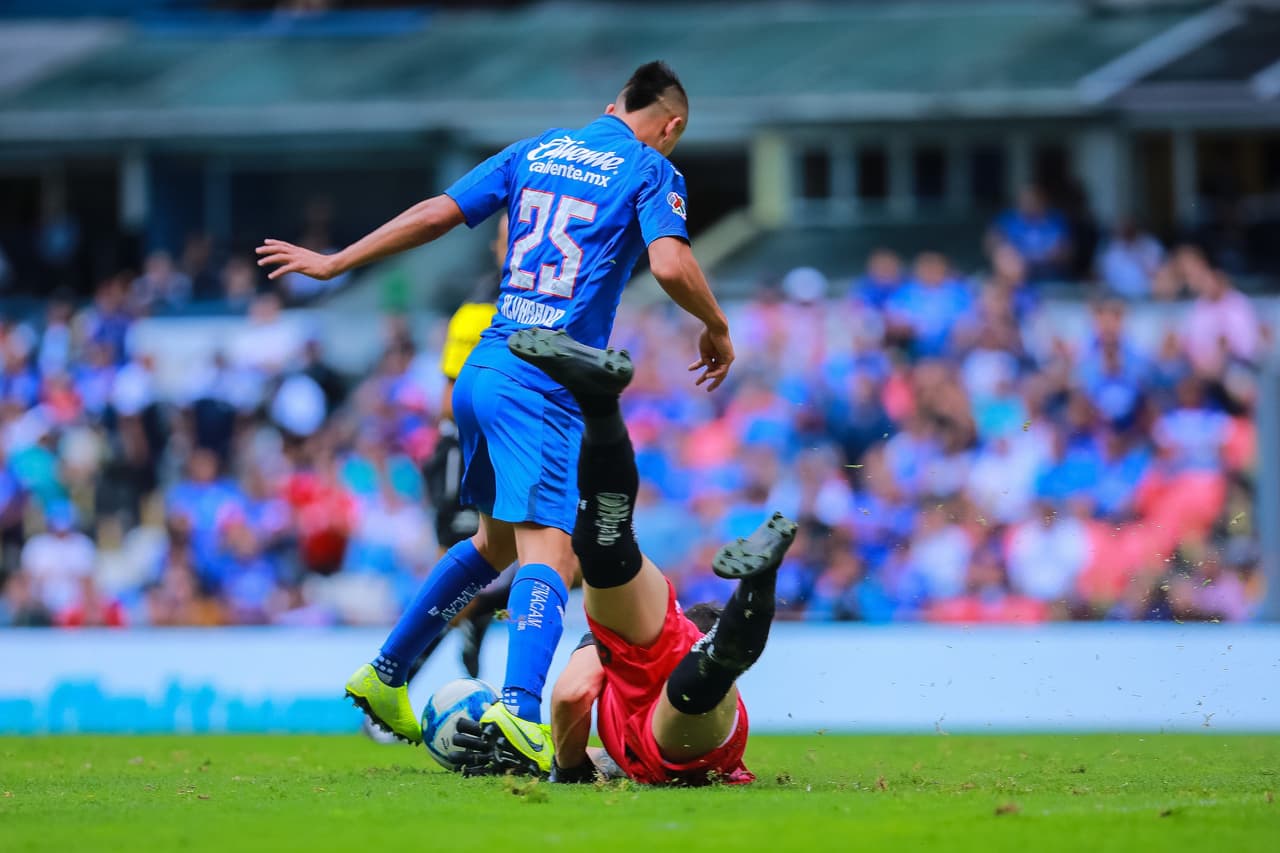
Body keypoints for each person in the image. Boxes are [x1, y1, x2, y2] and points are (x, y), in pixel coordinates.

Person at [256, 61, 734, 764]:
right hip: (542, 380)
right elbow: (668, 264)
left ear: (611, 107)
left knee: (495, 544)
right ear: (672, 126)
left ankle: (387, 673)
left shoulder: (536, 149)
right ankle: (519, 711)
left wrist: (337, 262)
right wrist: (716, 325)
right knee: (555, 551)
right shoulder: (652, 169)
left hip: (483, 368)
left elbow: (436, 213)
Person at [455, 329, 794, 784]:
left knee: (606, 542)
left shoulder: (625, 653)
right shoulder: (620, 671)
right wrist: (563, 766)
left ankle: (601, 407)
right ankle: (756, 586)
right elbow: (570, 699)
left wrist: (565, 767)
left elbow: (577, 697)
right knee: (707, 675)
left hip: (662, 673)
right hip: (677, 729)